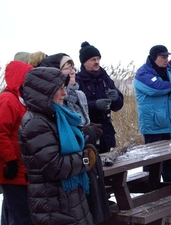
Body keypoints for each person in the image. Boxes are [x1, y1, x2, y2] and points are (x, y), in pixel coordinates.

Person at [39, 52, 111, 224]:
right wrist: (87, 132)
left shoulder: (78, 94)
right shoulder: (53, 105)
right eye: (66, 68)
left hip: (87, 160)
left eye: (72, 68)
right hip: (73, 172)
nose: (72, 72)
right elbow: (61, 144)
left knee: (94, 209)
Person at [19, 67, 97, 224]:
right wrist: (86, 159)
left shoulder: (56, 117)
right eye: (59, 89)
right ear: (44, 91)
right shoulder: (35, 122)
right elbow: (55, 165)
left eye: (64, 88)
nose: (65, 93)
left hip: (68, 199)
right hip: (53, 204)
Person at [134, 45, 171, 182]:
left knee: (168, 159)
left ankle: (169, 186)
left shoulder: (169, 73)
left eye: (167, 57)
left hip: (168, 123)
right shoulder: (143, 73)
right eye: (163, 57)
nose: (166, 60)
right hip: (153, 124)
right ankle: (149, 190)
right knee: (151, 160)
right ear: (154, 58)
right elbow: (155, 88)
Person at [0, 61, 33, 225]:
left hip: (21, 168)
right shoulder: (8, 99)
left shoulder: (21, 99)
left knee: (14, 214)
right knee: (21, 217)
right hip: (12, 169)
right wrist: (10, 160)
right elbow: (0, 133)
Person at [76, 41, 124, 153]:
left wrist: (116, 98)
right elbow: (75, 105)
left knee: (112, 166)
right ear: (84, 62)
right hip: (88, 131)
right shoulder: (77, 81)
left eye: (98, 58)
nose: (97, 62)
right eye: (93, 59)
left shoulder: (106, 79)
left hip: (107, 130)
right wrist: (95, 105)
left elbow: (118, 106)